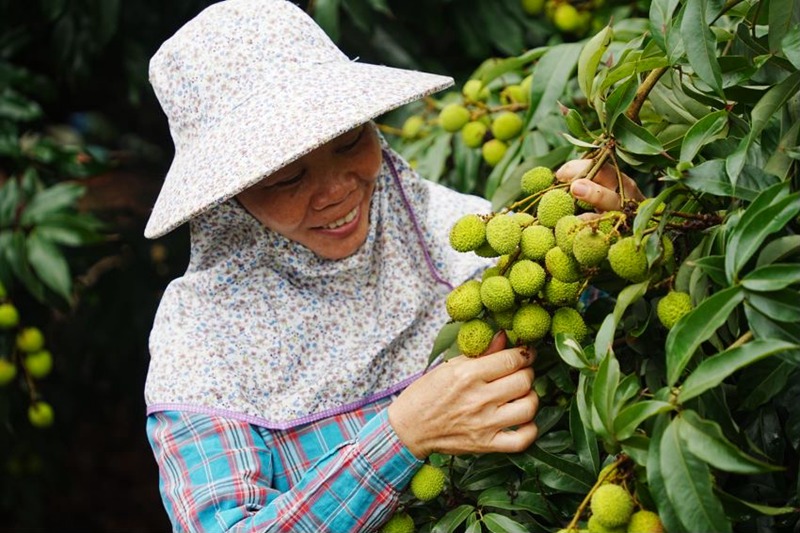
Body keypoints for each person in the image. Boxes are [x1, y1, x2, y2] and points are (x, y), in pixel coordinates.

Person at [142, 1, 634, 531]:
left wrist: (620, 238)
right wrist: (401, 436)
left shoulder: (462, 236)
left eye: (351, 140)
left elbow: (608, 347)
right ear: (228, 198)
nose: (336, 191)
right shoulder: (202, 345)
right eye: (286, 178)